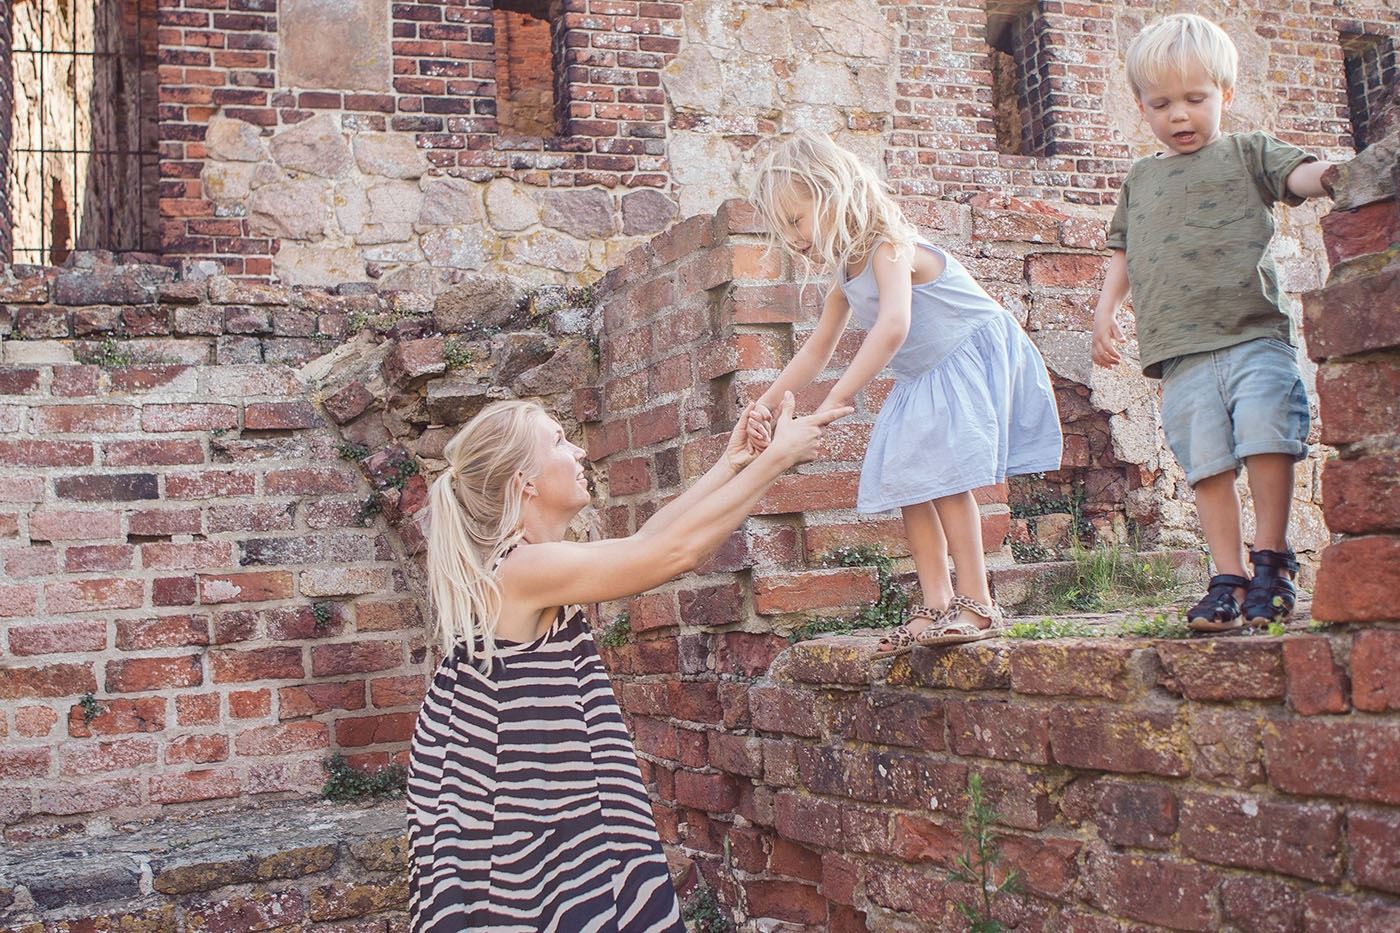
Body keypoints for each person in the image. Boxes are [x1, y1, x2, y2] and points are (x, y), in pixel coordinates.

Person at [406, 393, 849, 931]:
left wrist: (732, 464)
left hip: (520, 790)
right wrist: (776, 460)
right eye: (559, 441)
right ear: (525, 481)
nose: (577, 452)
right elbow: (673, 555)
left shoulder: (523, 561)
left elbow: (648, 539)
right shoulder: (523, 570)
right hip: (510, 804)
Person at [745, 131, 1063, 656]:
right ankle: (936, 602)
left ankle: (978, 601)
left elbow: (894, 325)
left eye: (796, 221)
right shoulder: (844, 276)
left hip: (964, 354)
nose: (794, 239)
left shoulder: (889, 247)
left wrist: (839, 397)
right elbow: (816, 351)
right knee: (909, 480)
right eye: (784, 230)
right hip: (923, 375)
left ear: (833, 193)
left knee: (946, 479)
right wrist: (764, 403)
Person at [1090, 13, 1336, 633]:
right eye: (1161, 104)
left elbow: (1298, 175)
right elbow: (1124, 251)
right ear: (1141, 107)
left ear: (1225, 94)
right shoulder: (1141, 178)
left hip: (1253, 333)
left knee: (1268, 437)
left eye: (1195, 99)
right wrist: (1105, 309)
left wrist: (1334, 174)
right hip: (1181, 351)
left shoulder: (1247, 151)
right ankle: (1227, 577)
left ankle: (1272, 562)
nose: (1180, 115)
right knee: (1206, 465)